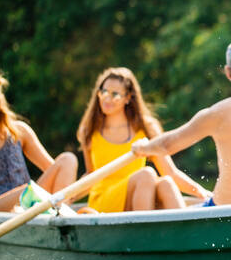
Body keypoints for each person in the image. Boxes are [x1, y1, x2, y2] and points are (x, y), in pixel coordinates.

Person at [132, 36, 231, 205]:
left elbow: (167, 145)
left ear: (228, 72)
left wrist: (142, 147)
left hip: (224, 213)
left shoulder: (218, 114)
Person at [77, 67, 210, 213]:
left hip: (138, 194)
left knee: (166, 183)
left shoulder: (146, 129)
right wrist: (67, 197)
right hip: (103, 202)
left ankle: (187, 233)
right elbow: (90, 175)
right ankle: (144, 232)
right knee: (146, 174)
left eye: (115, 94)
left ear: (127, 97)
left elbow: (170, 172)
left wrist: (202, 193)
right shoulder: (89, 130)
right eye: (103, 92)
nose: (107, 98)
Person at [0, 67, 78, 212]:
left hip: (30, 202)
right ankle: (56, 211)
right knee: (24, 191)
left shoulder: (19, 131)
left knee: (68, 159)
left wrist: (73, 189)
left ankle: (61, 214)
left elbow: (53, 170)